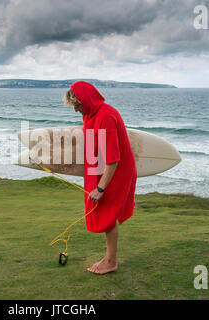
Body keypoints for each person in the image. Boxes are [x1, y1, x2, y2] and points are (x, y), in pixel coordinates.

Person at [64, 81, 137, 275]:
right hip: (99, 169)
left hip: (115, 172)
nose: (76, 110)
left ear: (85, 99)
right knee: (102, 213)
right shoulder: (90, 114)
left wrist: (101, 188)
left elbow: (113, 159)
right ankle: (108, 257)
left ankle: (111, 261)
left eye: (77, 105)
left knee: (107, 215)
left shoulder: (105, 117)